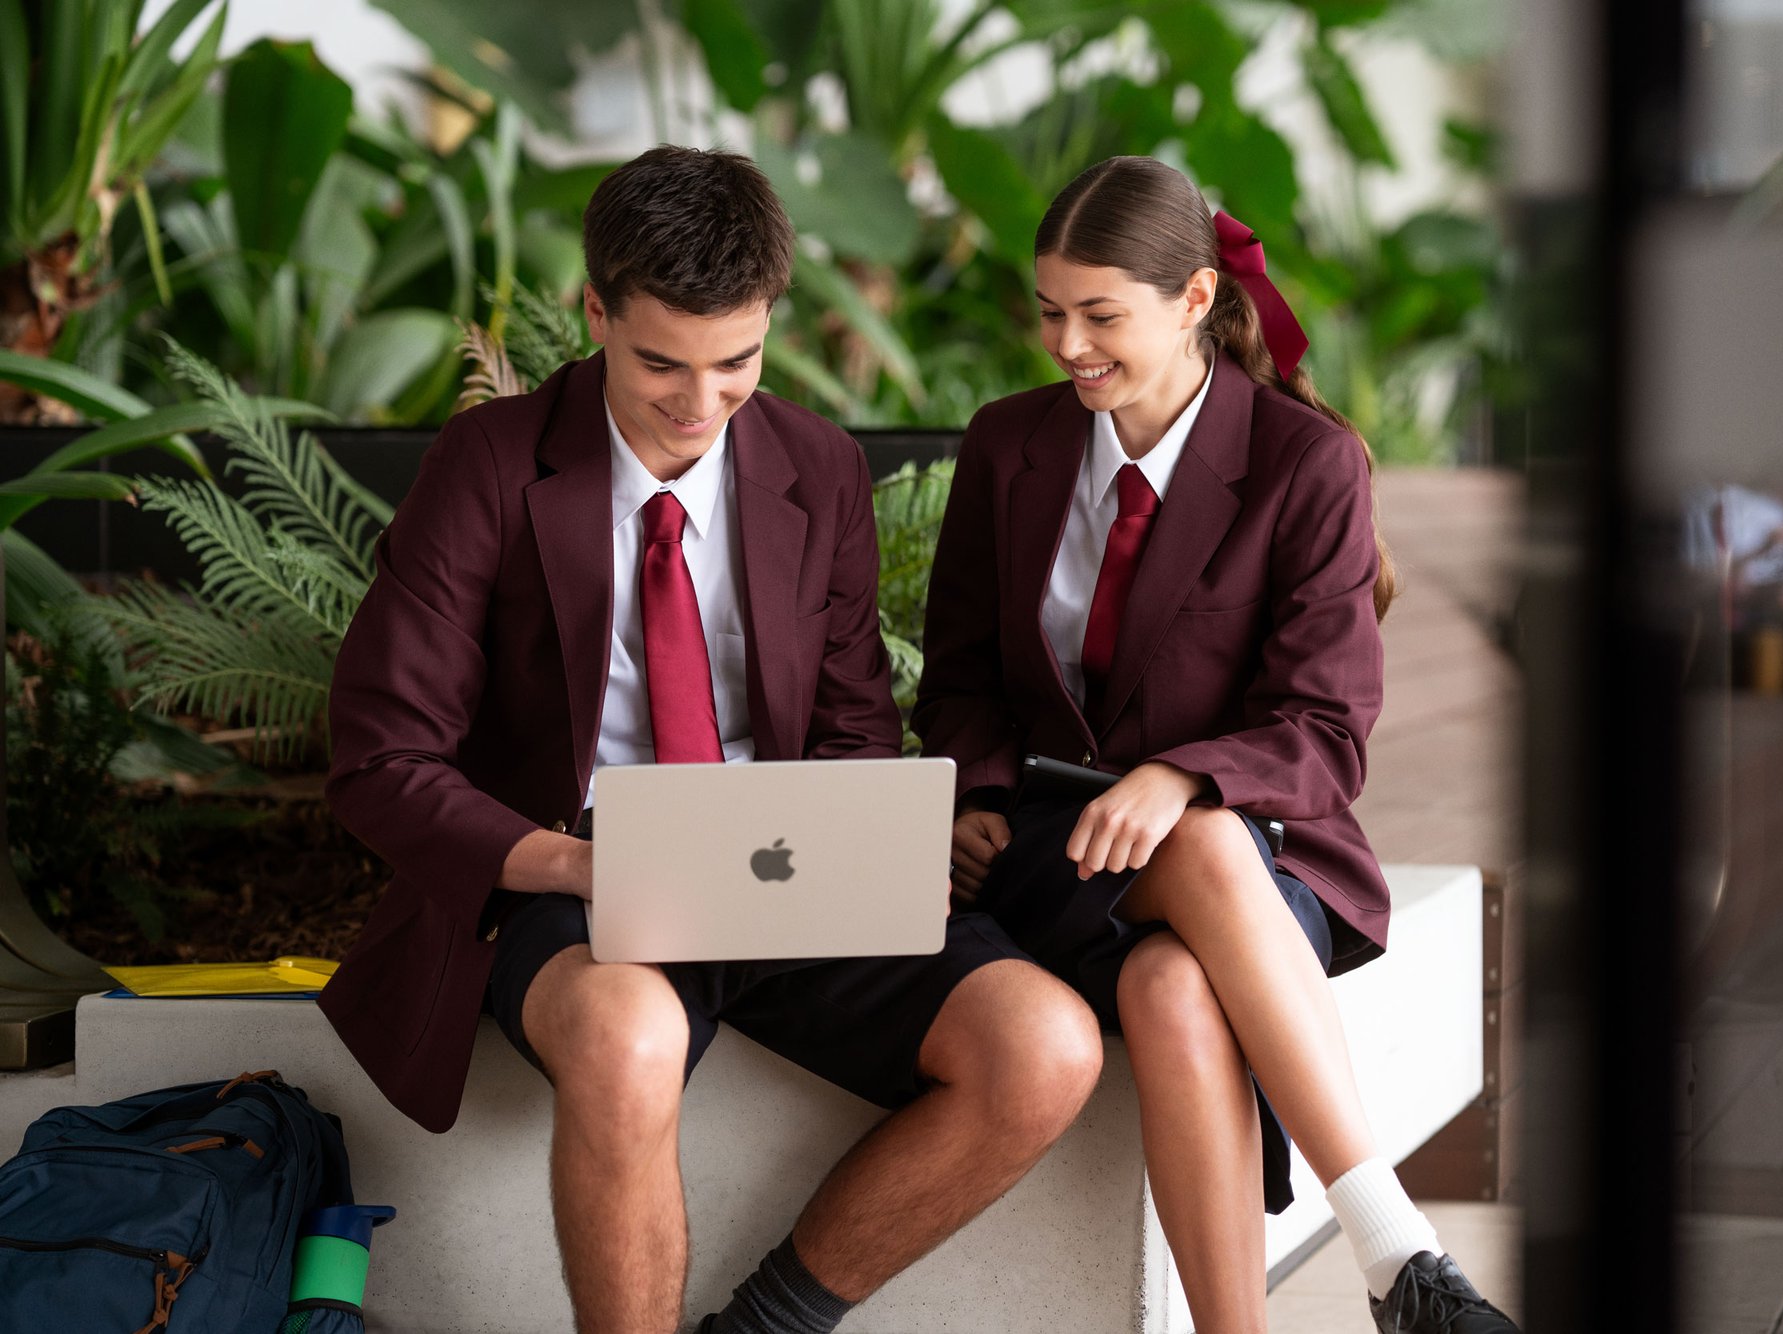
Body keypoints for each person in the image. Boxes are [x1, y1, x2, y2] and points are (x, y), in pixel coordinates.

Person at [317, 146, 1103, 1334]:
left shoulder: (818, 466)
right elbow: (379, 760)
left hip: (780, 862)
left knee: (1042, 1046)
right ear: (593, 312)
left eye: (735, 362)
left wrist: (868, 834)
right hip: (567, 873)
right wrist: (574, 861)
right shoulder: (486, 467)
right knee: (629, 1042)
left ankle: (765, 1326)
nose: (698, 403)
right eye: (658, 364)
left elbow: (849, 727)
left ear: (770, 318)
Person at [915, 155, 1520, 1334]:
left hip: (1266, 858)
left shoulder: (1304, 462)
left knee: (1174, 974)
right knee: (1181, 876)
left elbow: (1326, 728)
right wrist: (974, 789)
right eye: (1049, 310)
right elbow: (959, 679)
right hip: (1056, 851)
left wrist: (1185, 773)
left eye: (1100, 316)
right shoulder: (1007, 448)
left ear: (1194, 300)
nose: (1066, 345)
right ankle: (1397, 1252)